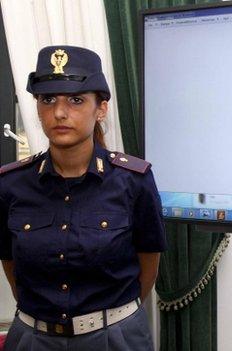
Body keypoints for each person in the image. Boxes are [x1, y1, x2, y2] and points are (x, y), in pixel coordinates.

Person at [0, 45, 167, 350]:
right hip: (33, 339)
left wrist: (106, 322)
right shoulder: (11, 184)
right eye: (48, 100)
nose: (60, 113)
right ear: (37, 107)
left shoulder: (133, 180)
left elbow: (148, 268)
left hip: (113, 338)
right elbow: (11, 265)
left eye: (76, 100)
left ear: (100, 108)